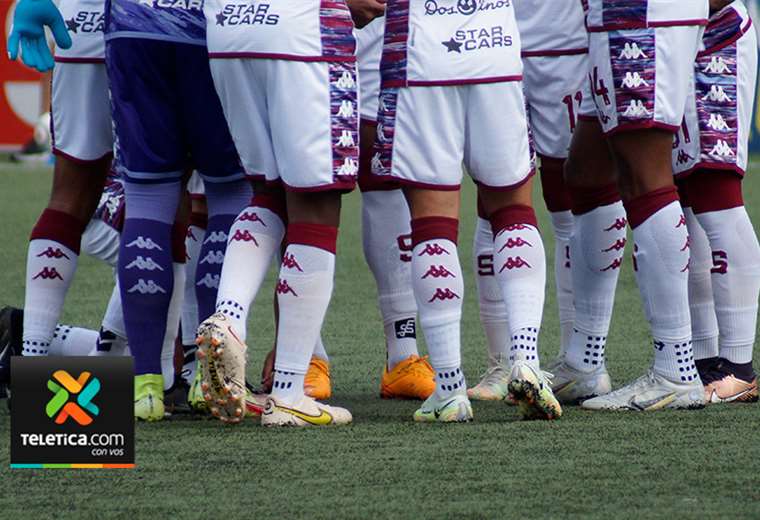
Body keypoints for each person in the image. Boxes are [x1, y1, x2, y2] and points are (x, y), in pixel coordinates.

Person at [371, 0, 561, 422]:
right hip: (495, 46)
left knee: (431, 219)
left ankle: (450, 389)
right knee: (512, 206)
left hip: (422, 53)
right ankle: (526, 360)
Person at [196, 0, 370, 426]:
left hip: (229, 25)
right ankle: (290, 391)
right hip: (300, 26)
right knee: (317, 203)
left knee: (267, 192)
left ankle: (229, 320)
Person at [104, 0, 249, 421]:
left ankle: (145, 384)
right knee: (229, 195)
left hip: (134, 24)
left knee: (148, 200)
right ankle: (210, 379)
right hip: (210, 27)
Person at [581, 0, 710, 411]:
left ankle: (675, 370)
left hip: (639, 17)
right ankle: (582, 359)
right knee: (585, 170)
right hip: (637, 17)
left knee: (645, 177)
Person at [672, 0, 759, 404]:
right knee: (683, 195)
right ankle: (707, 362)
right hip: (671, 36)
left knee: (715, 191)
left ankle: (740, 368)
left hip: (714, 32)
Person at [355, 14, 435, 400]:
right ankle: (303, 358)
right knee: (292, 189)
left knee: (382, 168)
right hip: (289, 28)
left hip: (381, 30)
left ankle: (403, 353)